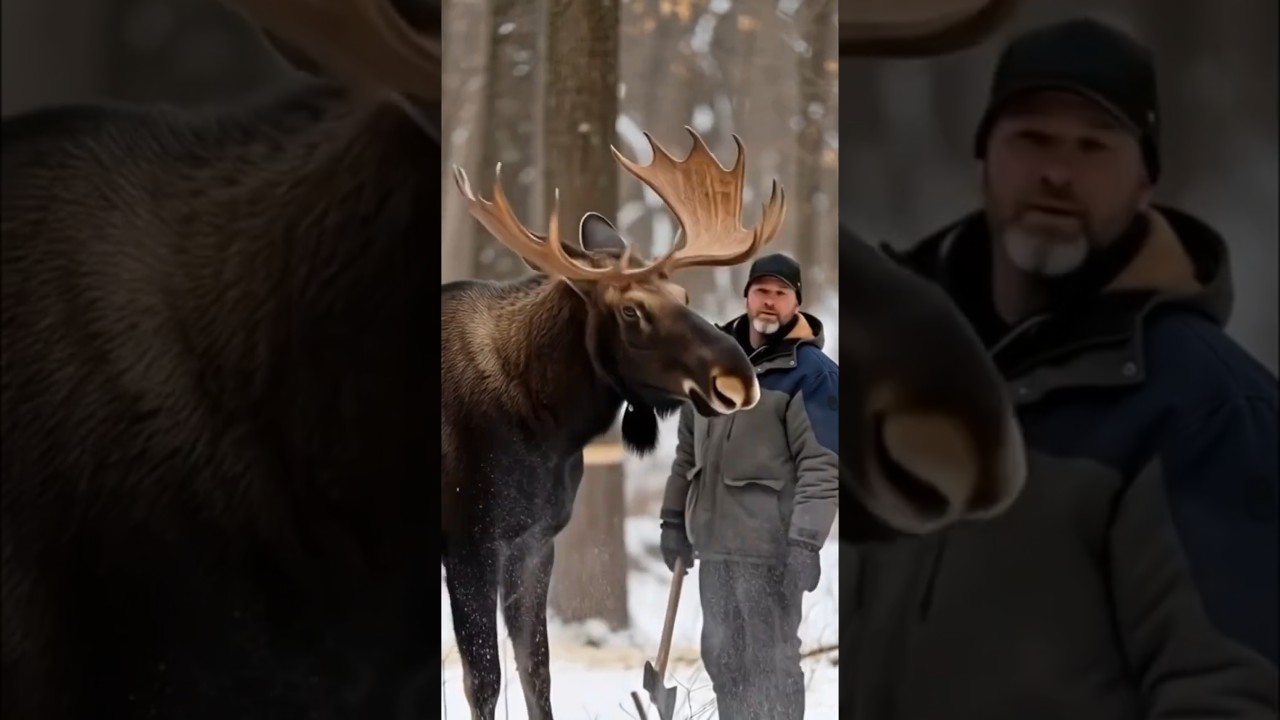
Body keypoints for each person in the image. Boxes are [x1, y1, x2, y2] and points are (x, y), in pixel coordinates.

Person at [846, 17, 1280, 719]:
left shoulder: (1207, 412)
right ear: (984, 156)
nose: (1057, 172)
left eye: (1093, 146)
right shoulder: (885, 370)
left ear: (1145, 181)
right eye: (1032, 139)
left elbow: (1229, 691)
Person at [659, 252, 839, 720]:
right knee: (723, 661)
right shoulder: (710, 362)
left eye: (781, 293)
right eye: (762, 290)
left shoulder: (812, 375)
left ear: (797, 302)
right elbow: (685, 455)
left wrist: (805, 543)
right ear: (746, 295)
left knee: (772, 665)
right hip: (715, 549)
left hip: (771, 553)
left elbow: (822, 466)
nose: (770, 302)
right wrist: (673, 519)